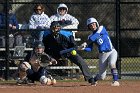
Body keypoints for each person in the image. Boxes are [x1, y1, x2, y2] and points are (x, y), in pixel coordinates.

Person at [78, 17, 120, 86]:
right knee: (101, 76)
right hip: (102, 55)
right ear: (89, 27)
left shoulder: (101, 28)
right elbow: (89, 49)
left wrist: (86, 43)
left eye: (94, 24)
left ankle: (115, 81)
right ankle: (94, 80)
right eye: (90, 25)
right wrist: (82, 48)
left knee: (112, 64)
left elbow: (96, 35)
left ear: (96, 24)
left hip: (112, 51)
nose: (93, 26)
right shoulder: (90, 37)